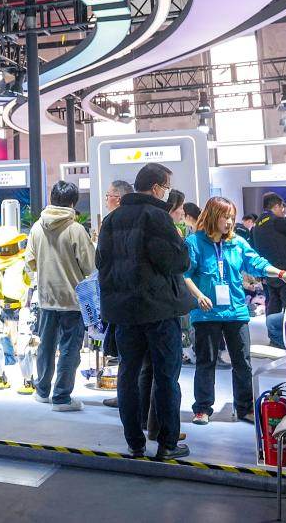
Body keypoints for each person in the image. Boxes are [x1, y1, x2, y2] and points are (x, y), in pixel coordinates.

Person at [97, 163, 194, 461]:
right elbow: (177, 262)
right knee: (166, 377)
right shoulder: (157, 217)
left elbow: (101, 263)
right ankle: (167, 444)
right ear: (156, 187)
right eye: (166, 187)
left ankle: (134, 443)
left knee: (128, 374)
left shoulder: (112, 220)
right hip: (158, 309)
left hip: (123, 311)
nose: (166, 193)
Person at [183, 197, 286, 426]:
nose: (229, 222)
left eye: (232, 217)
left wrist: (282, 274)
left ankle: (245, 407)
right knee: (206, 361)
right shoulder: (194, 243)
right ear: (212, 216)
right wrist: (199, 296)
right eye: (225, 217)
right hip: (206, 313)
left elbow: (257, 263)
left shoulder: (237, 243)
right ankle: (202, 408)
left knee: (242, 363)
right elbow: (185, 274)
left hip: (236, 311)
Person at [25, 181, 95, 412]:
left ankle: (42, 391)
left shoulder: (37, 227)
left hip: (46, 298)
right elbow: (90, 266)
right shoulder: (76, 230)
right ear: (73, 203)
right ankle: (62, 398)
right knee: (69, 349)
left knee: (46, 346)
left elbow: (30, 262)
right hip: (72, 300)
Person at [99, 179, 133, 410]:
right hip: (136, 297)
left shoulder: (111, 222)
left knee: (126, 354)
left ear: (118, 199)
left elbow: (101, 260)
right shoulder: (140, 219)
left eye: (108, 195)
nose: (106, 199)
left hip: (119, 297)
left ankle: (126, 399)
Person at [251, 193, 286, 323]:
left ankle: (273, 333)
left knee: (273, 307)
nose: (284, 212)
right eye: (283, 208)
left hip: (270, 273)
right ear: (277, 206)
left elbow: (254, 250)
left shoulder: (256, 226)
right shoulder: (277, 221)